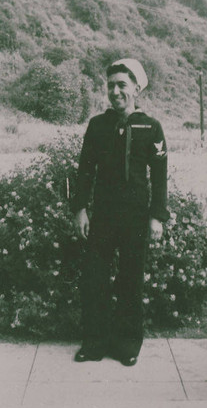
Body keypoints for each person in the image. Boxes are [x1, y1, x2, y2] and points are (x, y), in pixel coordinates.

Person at [71, 58, 170, 366]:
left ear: (136, 89)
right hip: (102, 215)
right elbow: (85, 171)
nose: (115, 92)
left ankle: (127, 345)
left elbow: (160, 175)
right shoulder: (97, 125)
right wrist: (79, 210)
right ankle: (94, 343)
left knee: (130, 279)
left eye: (122, 85)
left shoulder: (151, 127)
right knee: (95, 279)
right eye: (110, 85)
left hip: (136, 216)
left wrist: (157, 216)